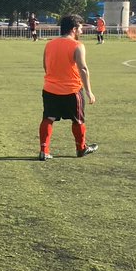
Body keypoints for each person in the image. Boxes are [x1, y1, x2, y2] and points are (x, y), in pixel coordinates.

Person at [38, 14, 97, 161]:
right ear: (74, 29)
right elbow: (83, 69)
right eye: (80, 28)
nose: (81, 31)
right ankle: (81, 148)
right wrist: (89, 91)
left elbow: (45, 65)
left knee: (48, 118)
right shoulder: (77, 46)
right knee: (78, 120)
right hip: (72, 90)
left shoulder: (49, 44)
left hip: (50, 89)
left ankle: (44, 150)